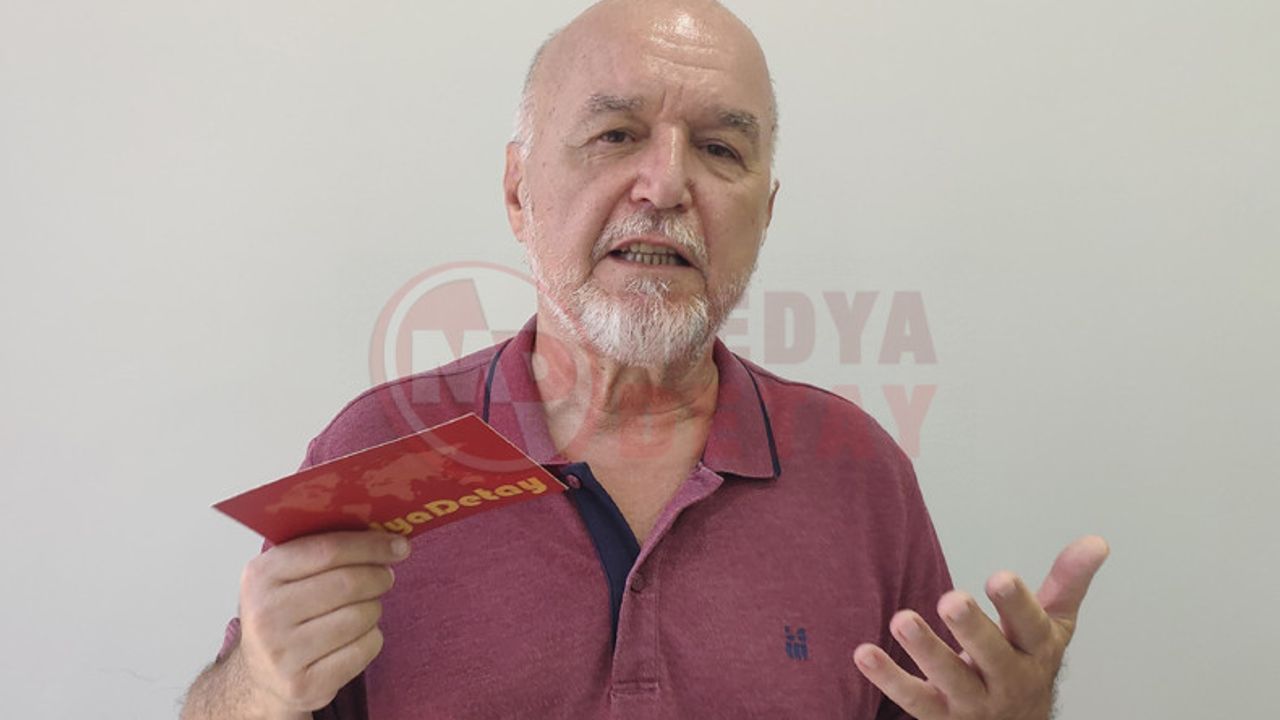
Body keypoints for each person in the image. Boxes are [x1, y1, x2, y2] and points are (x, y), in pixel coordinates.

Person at [181, 1, 1109, 718]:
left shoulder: (860, 471)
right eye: (616, 135)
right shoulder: (382, 445)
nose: (665, 186)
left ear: (764, 214)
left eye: (719, 148)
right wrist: (256, 686)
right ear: (518, 189)